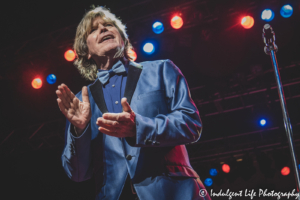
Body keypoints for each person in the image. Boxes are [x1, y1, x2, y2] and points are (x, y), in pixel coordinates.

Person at [56, 6, 211, 200]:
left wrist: (138, 128)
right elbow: (77, 174)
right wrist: (79, 131)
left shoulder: (162, 70)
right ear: (86, 51)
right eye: (93, 29)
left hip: (174, 193)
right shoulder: (81, 100)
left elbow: (191, 124)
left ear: (123, 39)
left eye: (109, 25)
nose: (103, 29)